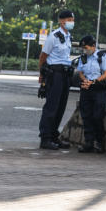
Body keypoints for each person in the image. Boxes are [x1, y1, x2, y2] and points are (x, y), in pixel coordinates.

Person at [38, 10, 75, 150]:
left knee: (61, 107)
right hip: (55, 75)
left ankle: (54, 136)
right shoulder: (53, 36)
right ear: (61, 21)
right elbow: (43, 56)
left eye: (72, 19)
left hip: (65, 75)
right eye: (69, 19)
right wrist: (41, 75)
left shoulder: (68, 36)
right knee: (51, 107)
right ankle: (45, 138)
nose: (71, 22)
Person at [74, 35, 106, 153]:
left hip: (98, 88)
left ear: (93, 46)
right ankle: (88, 142)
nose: (84, 50)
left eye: (86, 47)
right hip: (86, 88)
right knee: (86, 116)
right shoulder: (83, 58)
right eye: (83, 48)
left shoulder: (102, 56)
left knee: (97, 116)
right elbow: (80, 72)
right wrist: (84, 80)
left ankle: (99, 142)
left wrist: (93, 82)